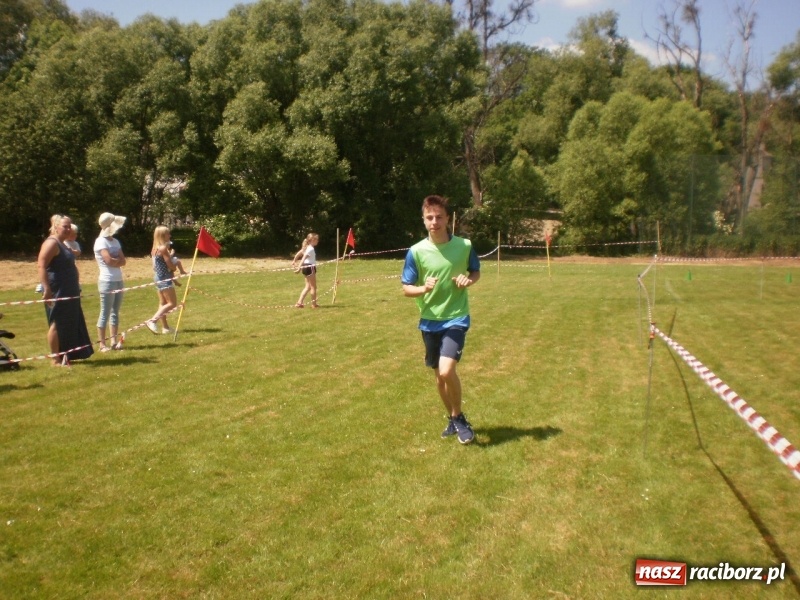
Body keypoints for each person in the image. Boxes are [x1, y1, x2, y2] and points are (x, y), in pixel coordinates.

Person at [401, 195, 480, 444]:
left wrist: (468, 280)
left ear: (448, 219)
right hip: (429, 319)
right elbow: (406, 288)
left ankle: (459, 419)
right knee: (438, 377)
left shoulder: (464, 246)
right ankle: (454, 418)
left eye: (439, 217)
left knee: (447, 371)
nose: (434, 221)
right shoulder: (416, 252)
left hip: (456, 316)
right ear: (424, 220)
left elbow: (475, 271)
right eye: (429, 217)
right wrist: (424, 288)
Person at [36, 215, 94, 365]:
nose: (68, 229)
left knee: (68, 322)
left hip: (70, 289)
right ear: (56, 227)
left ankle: (65, 355)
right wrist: (47, 289)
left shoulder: (62, 243)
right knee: (57, 322)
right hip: (57, 289)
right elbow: (41, 266)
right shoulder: (51, 243)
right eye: (65, 226)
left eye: (70, 226)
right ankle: (55, 359)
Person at [93, 213, 127, 352]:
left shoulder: (115, 241)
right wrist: (116, 261)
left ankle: (113, 341)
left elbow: (123, 261)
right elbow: (108, 261)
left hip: (118, 279)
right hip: (106, 281)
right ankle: (102, 344)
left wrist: (116, 261)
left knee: (115, 312)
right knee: (105, 312)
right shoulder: (100, 241)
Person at [146, 225, 178, 334]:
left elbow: (157, 264)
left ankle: (165, 328)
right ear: (163, 236)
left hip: (157, 277)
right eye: (168, 233)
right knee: (172, 303)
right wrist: (175, 265)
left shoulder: (154, 248)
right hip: (164, 277)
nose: (170, 235)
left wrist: (170, 255)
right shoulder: (163, 248)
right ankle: (152, 321)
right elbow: (170, 265)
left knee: (163, 303)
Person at [291, 233, 319, 308]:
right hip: (310, 267)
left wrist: (294, 260)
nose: (317, 241)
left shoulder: (307, 247)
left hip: (305, 267)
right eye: (316, 239)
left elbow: (299, 253)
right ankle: (314, 304)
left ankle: (299, 303)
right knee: (313, 287)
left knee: (307, 287)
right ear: (312, 240)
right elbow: (303, 258)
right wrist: (298, 268)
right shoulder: (310, 249)